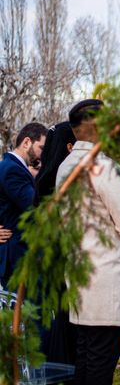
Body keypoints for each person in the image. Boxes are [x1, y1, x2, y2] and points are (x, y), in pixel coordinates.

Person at [56, 99, 120, 385]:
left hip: (80, 274)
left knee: (86, 358)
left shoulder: (66, 166)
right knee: (100, 366)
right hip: (107, 275)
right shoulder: (102, 164)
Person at [34, 122, 77, 366]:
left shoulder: (43, 181)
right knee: (68, 324)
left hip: (53, 259)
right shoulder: (60, 183)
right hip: (65, 258)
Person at [0, 122, 48, 289]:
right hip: (18, 259)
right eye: (41, 148)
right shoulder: (12, 170)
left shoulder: (10, 167)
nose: (43, 155)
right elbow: (35, 207)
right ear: (27, 142)